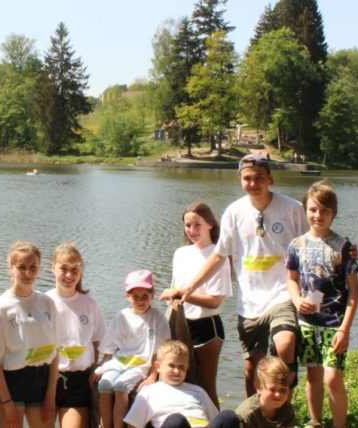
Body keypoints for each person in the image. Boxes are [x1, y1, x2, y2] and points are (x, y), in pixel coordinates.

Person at [178, 153, 307, 396]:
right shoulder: (234, 212)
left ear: (270, 179)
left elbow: (311, 244)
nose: (253, 183)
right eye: (247, 178)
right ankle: (255, 416)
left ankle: (284, 406)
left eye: (259, 177)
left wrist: (341, 251)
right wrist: (189, 288)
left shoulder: (292, 209)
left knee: (285, 343)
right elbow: (219, 256)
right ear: (240, 180)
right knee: (251, 368)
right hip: (249, 301)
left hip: (283, 293)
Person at [286, 180, 358, 428]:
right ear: (305, 210)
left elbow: (354, 293)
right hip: (307, 323)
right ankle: (315, 422)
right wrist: (297, 301)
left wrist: (345, 329)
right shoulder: (296, 245)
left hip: (334, 325)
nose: (318, 215)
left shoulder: (343, 246)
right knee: (313, 376)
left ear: (334, 213)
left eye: (325, 210)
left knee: (332, 379)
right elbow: (291, 281)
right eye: (313, 209)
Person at [0, 241, 59, 428]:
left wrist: (50, 397)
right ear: (10, 268)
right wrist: (7, 404)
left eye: (33, 267)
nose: (28, 273)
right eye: (22, 267)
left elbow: (55, 353)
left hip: (43, 380)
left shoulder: (47, 303)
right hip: (11, 382)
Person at [159, 202, 233, 407]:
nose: (192, 230)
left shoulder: (219, 255)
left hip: (207, 327)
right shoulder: (180, 254)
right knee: (178, 385)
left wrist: (183, 294)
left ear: (209, 223)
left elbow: (215, 300)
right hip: (181, 324)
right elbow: (176, 291)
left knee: (206, 388)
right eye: (188, 225)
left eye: (197, 224)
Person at [93, 269, 172, 428]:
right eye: (135, 297)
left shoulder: (157, 317)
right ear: (127, 296)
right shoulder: (121, 316)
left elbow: (160, 350)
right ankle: (105, 425)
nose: (140, 301)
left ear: (152, 295)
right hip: (119, 362)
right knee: (104, 384)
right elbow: (109, 348)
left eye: (145, 296)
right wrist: (101, 368)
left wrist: (152, 376)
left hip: (140, 364)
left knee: (121, 386)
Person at [47, 243, 106, 428]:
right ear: (52, 267)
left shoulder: (90, 304)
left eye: (75, 269)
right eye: (63, 269)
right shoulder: (43, 302)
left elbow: (99, 342)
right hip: (46, 379)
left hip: (79, 380)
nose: (69, 275)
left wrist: (95, 370)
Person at [123, 340, 240, 428]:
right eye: (172, 365)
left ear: (187, 368)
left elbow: (215, 418)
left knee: (228, 416)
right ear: (158, 366)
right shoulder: (149, 392)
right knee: (176, 421)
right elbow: (133, 425)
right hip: (175, 425)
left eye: (181, 367)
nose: (176, 371)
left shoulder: (198, 391)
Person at [234, 356, 296, 428]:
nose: (278, 394)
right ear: (259, 387)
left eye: (283, 390)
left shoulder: (287, 410)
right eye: (272, 389)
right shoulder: (248, 414)